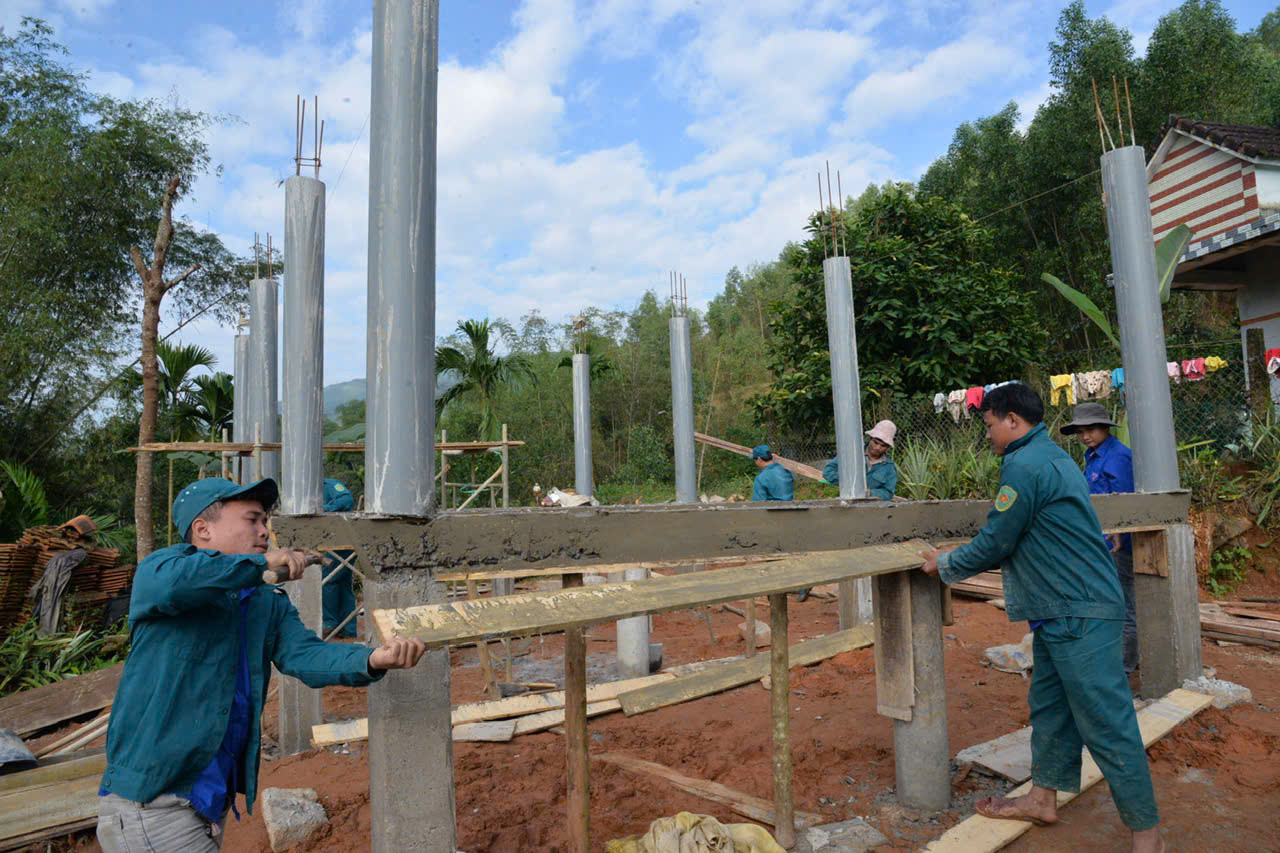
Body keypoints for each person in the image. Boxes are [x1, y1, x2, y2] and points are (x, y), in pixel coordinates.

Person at [97, 477, 426, 852]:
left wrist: (370, 658)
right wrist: (259, 563)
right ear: (203, 529)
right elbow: (176, 583)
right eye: (252, 520)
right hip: (154, 804)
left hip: (204, 801)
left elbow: (305, 656)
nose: (264, 531)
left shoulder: (264, 601)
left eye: (264, 522)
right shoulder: (163, 571)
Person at [919, 384, 1163, 853]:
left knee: (1107, 721)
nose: (987, 435)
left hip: (1078, 610)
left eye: (989, 425)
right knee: (1051, 708)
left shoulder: (1025, 465)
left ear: (1012, 420)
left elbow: (998, 539)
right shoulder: (1049, 456)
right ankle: (1042, 798)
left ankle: (1147, 836)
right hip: (1061, 610)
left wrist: (944, 564)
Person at [1060, 402, 1139, 675]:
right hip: (1099, 543)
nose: (1085, 436)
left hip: (1120, 546)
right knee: (1108, 602)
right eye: (1081, 431)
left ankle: (1124, 667)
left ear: (1105, 427)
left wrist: (1117, 531)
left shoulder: (1118, 457)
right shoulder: (1092, 455)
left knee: (1125, 606)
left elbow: (1126, 501)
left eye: (1091, 429)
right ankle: (1113, 659)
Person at [822, 420, 899, 499]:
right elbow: (828, 471)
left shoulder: (889, 467)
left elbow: (888, 493)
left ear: (888, 447)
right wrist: (849, 484)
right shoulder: (852, 454)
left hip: (872, 507)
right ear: (870, 438)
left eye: (883, 446)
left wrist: (870, 492)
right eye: (876, 442)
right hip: (846, 502)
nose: (877, 448)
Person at [320, 478, 358, 639]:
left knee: (329, 581)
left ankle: (331, 623)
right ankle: (348, 628)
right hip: (336, 541)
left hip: (342, 542)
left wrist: (326, 509)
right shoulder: (315, 491)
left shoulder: (328, 485)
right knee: (342, 585)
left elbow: (346, 499)